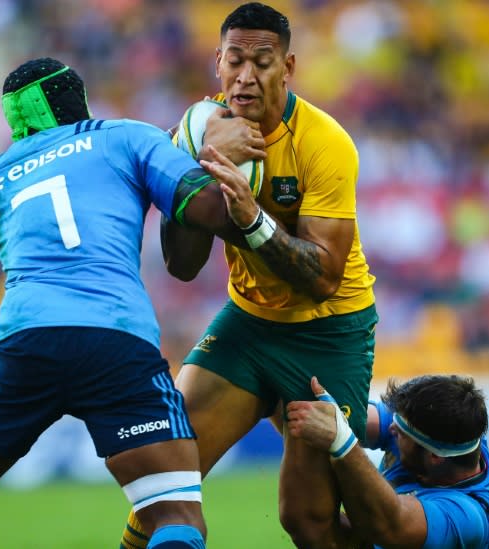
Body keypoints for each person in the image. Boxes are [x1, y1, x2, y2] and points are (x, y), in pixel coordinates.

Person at [0, 56, 263, 549]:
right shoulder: (126, 135)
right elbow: (211, 212)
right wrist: (201, 150)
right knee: (175, 516)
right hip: (113, 338)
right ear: (77, 98)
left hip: (22, 343)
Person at [121, 3, 378, 548]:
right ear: (217, 62)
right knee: (163, 477)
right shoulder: (197, 131)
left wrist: (252, 220)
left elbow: (325, 277)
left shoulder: (325, 144)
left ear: (288, 67)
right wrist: (194, 170)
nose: (246, 76)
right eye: (235, 60)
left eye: (262, 62)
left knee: (306, 519)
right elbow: (182, 266)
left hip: (329, 331)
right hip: (249, 325)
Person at [286, 375, 489, 549]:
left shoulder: (466, 518)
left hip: (390, 528)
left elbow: (389, 525)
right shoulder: (438, 429)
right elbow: (352, 419)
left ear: (435, 457)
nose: (392, 429)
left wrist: (343, 441)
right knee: (308, 520)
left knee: (312, 524)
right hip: (381, 528)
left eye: (401, 434)